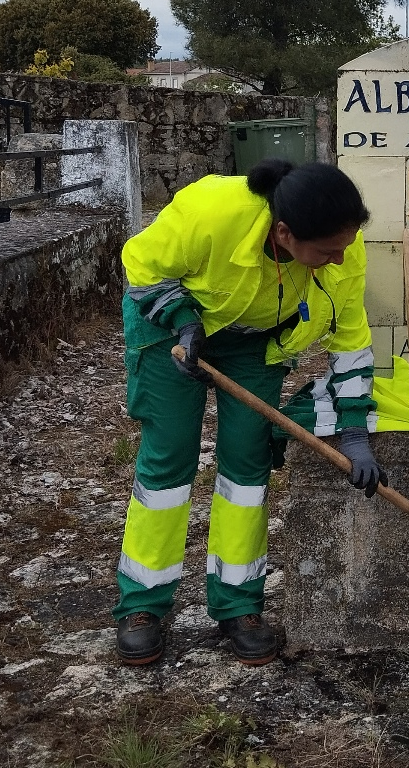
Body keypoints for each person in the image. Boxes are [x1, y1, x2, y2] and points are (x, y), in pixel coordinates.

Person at [113, 159, 387, 666]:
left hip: (256, 342)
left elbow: (351, 342)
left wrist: (354, 431)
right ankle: (142, 604)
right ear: (284, 233)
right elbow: (142, 265)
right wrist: (181, 320)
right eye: (327, 252)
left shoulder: (341, 251)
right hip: (171, 327)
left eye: (345, 247)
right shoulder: (213, 211)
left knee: (247, 463)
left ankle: (239, 604)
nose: (339, 259)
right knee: (170, 458)